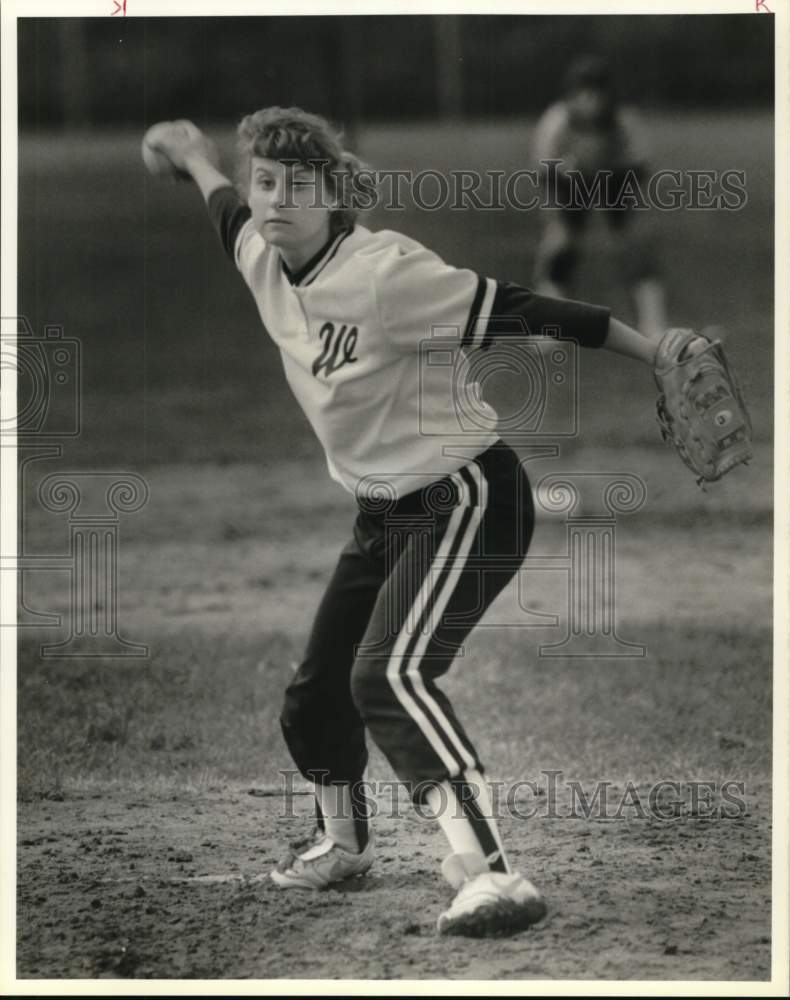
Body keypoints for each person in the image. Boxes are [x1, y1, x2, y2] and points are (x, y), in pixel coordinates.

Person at [148, 106, 667, 938]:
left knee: (387, 675)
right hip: (384, 514)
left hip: (467, 496)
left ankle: (494, 874)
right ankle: (343, 843)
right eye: (266, 182)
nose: (276, 199)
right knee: (314, 699)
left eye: (299, 186)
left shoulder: (387, 274)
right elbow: (226, 212)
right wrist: (193, 156)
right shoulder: (264, 257)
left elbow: (529, 310)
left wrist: (654, 355)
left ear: (335, 196)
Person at [532, 54, 669, 340]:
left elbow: (640, 165)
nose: (589, 101)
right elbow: (543, 168)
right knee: (560, 247)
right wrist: (564, 186)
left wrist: (612, 179)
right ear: (570, 95)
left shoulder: (624, 120)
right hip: (570, 185)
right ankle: (547, 327)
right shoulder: (556, 121)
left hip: (615, 180)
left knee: (635, 246)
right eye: (582, 93)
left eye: (596, 93)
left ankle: (653, 324)